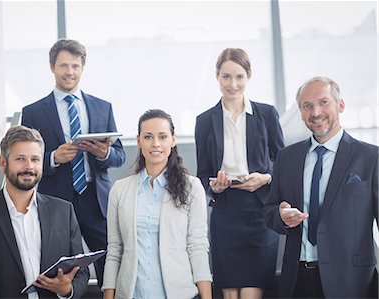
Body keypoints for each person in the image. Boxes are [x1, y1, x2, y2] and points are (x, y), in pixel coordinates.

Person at [21, 39, 125, 286]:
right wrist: (53, 158)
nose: (70, 72)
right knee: (59, 267)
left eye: (75, 66)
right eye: (64, 66)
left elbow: (119, 155)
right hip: (56, 199)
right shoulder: (33, 112)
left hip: (96, 200)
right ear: (52, 67)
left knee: (111, 263)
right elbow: (25, 159)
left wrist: (103, 153)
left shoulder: (102, 107)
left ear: (82, 68)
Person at [264, 76, 378, 298]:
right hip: (297, 279)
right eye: (307, 106)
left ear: (340, 105)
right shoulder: (287, 158)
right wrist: (281, 216)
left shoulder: (371, 157)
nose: (315, 112)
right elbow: (269, 212)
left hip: (351, 281)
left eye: (323, 102)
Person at [0, 125, 90, 298]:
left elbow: (81, 272)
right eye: (20, 158)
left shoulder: (64, 211)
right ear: (3, 163)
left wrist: (67, 290)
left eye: (35, 159)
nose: (29, 166)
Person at [194, 48, 284, 299]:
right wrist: (214, 186)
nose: (233, 84)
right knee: (230, 294)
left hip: (259, 211)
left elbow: (284, 163)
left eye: (239, 77)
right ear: (217, 77)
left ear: (249, 77)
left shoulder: (266, 115)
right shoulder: (204, 121)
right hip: (225, 213)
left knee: (250, 293)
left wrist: (265, 178)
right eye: (226, 77)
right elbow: (202, 175)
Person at [102, 109, 212, 299]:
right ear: (138, 141)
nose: (155, 144)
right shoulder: (119, 190)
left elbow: (198, 247)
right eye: (148, 137)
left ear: (173, 140)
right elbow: (114, 251)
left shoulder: (192, 187)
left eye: (162, 137)